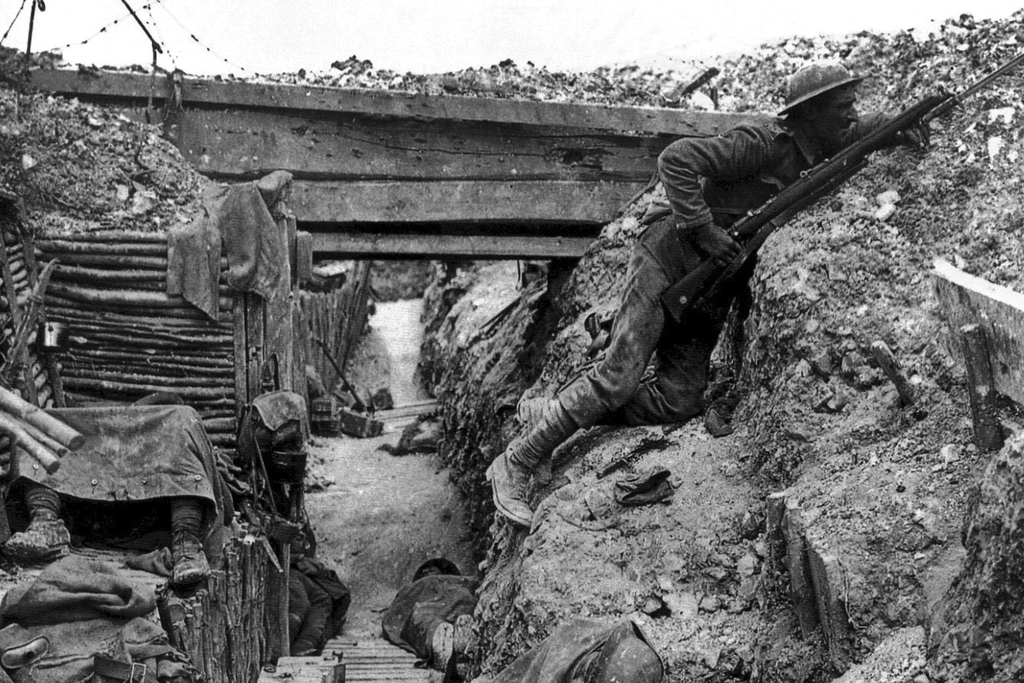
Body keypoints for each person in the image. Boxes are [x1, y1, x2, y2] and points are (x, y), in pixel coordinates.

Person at [487, 61, 928, 527]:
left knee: (680, 401)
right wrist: (704, 230)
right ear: (811, 112)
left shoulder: (823, 144)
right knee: (619, 377)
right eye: (842, 105)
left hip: (708, 290)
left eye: (851, 105)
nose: (850, 114)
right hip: (668, 260)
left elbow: (865, 129)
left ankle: (559, 410)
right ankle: (517, 461)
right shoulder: (761, 144)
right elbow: (676, 160)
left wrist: (904, 124)